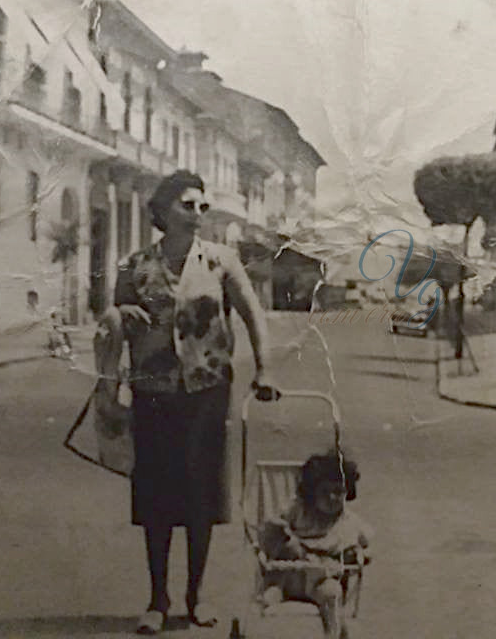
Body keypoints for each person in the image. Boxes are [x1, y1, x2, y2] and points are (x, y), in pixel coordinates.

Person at [113, 170, 279, 634]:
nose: (198, 215)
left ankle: (196, 596)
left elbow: (253, 317)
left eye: (203, 207)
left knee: (200, 495)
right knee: (156, 498)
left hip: (206, 392)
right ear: (163, 211)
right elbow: (113, 323)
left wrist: (265, 369)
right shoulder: (134, 266)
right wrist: (119, 314)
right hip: (153, 392)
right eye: (188, 205)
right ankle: (157, 599)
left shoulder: (221, 261)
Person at [259, 451, 372, 639]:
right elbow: (271, 526)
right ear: (311, 493)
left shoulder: (349, 521)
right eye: (324, 492)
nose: (332, 498)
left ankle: (331, 634)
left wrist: (362, 554)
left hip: (321, 580)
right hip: (290, 574)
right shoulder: (298, 510)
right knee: (288, 547)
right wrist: (279, 531)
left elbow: (367, 543)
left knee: (332, 593)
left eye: (338, 492)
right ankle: (274, 591)